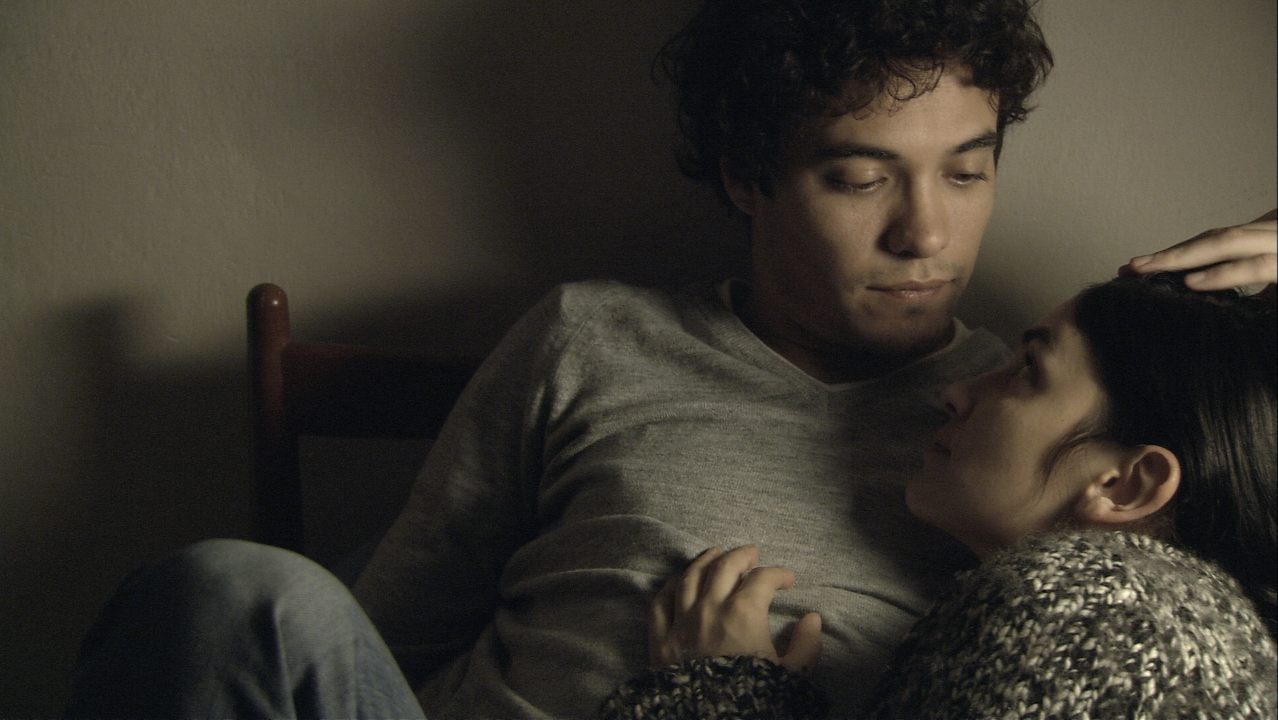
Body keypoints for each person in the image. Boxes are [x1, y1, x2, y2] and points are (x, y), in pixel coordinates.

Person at [62, 0, 1277, 717]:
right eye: (862, 178)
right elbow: (393, 632)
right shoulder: (586, 338)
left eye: (968, 171)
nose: (929, 234)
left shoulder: (1038, 454)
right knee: (233, 596)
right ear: (748, 176)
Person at [601, 271, 1278, 718]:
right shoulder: (1190, 628)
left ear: (1125, 484)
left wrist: (719, 691)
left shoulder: (1091, 610)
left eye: (1027, 371)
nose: (956, 391)